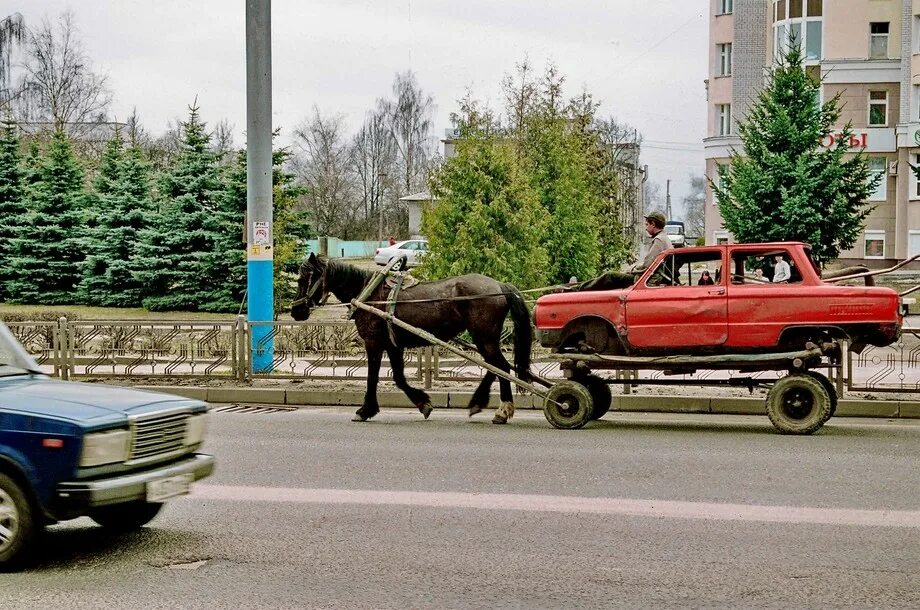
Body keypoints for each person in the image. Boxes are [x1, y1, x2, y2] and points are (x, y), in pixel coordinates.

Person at [573, 210, 673, 291]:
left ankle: (576, 289)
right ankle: (577, 286)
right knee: (610, 279)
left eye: (647, 225)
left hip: (649, 280)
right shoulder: (664, 238)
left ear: (653, 224)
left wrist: (631, 270)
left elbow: (647, 265)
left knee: (610, 276)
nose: (646, 228)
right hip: (655, 278)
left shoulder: (659, 240)